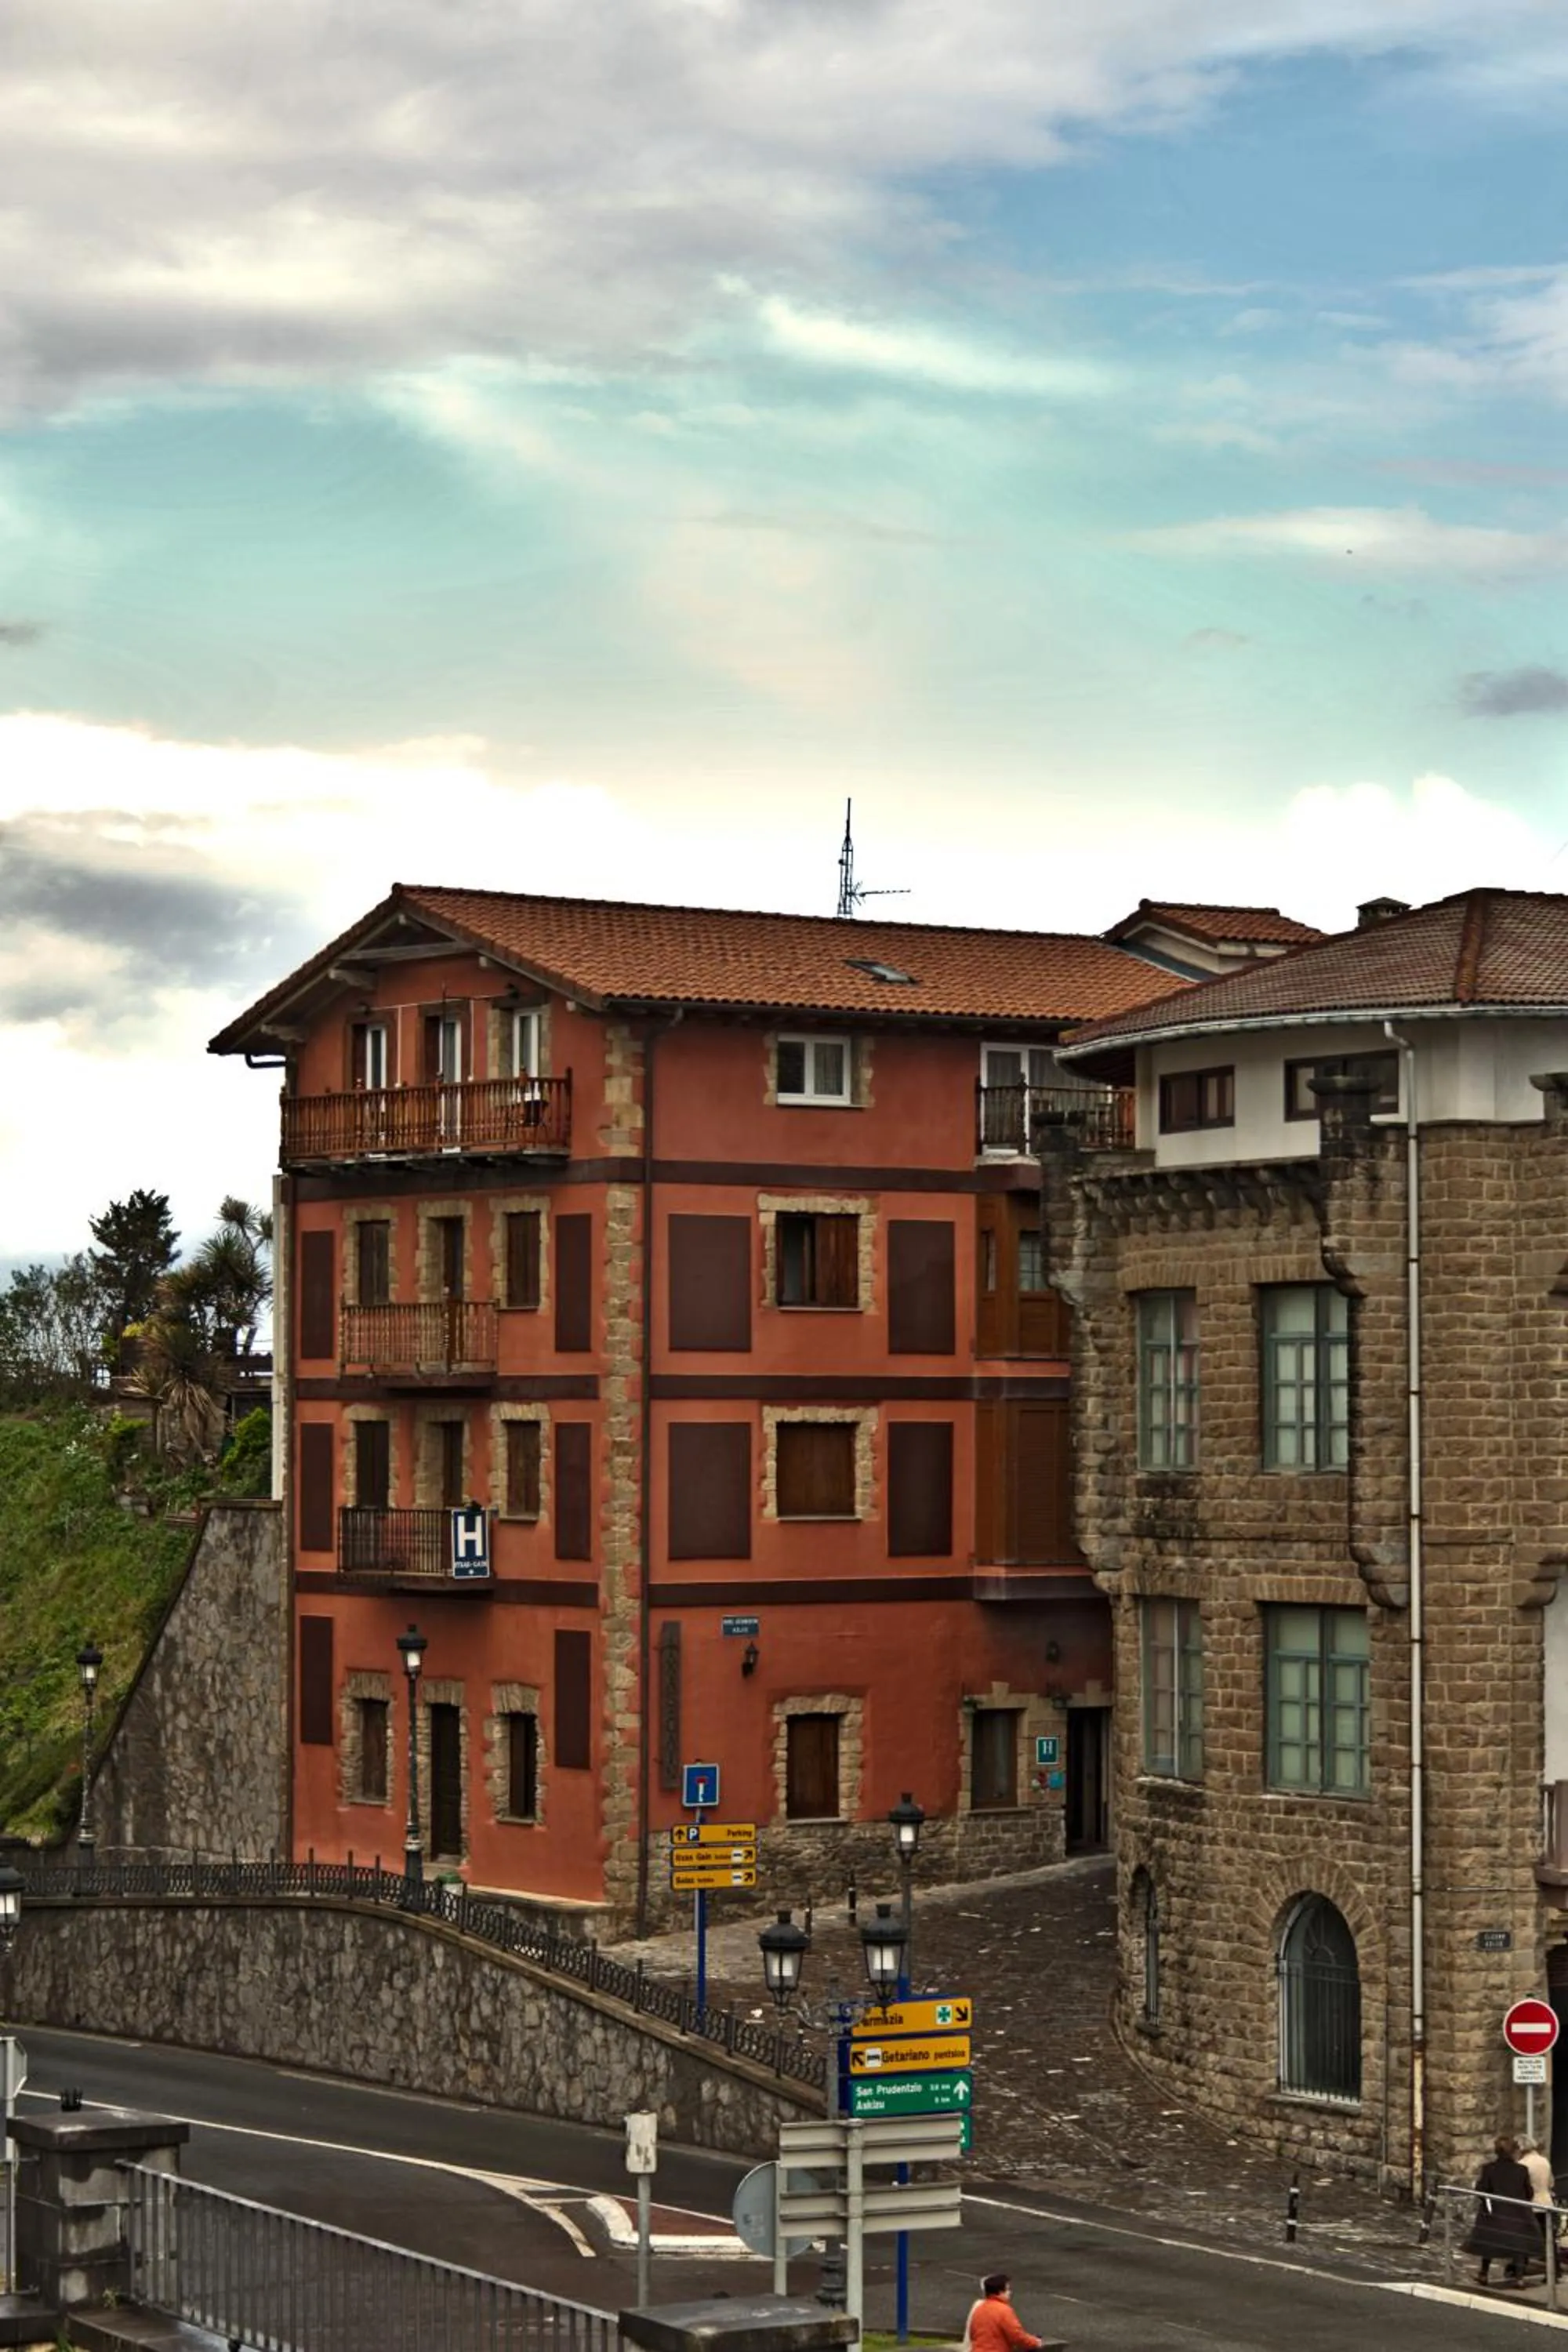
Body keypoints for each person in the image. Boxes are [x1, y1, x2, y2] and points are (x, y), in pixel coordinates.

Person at [1467, 2136, 1538, 2287]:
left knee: (1489, 2243)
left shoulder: (1489, 2169)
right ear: (1513, 2151)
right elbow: (1529, 2192)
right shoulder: (1521, 2170)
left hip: (1495, 2213)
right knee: (1519, 2245)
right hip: (1518, 2213)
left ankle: (1484, 2274)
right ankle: (1519, 2278)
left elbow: (1482, 2190)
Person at [963, 2273, 1044, 2352]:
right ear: (1000, 2292)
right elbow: (1017, 2336)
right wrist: (1036, 2342)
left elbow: (973, 2334)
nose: (1010, 2292)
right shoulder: (1003, 2311)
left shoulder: (979, 2309)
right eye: (1007, 2289)